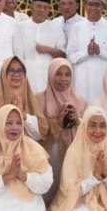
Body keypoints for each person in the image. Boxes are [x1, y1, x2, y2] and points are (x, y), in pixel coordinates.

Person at [36, 58, 85, 194]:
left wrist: (77, 120)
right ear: (50, 74)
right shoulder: (39, 99)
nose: (63, 79)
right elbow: (35, 130)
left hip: (73, 151)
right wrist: (56, 122)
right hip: (49, 151)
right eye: (58, 74)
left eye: (67, 74)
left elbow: (90, 129)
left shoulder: (80, 100)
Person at [66, 0, 107, 101]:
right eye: (90, 4)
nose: (93, 8)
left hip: (104, 78)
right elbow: (70, 56)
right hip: (81, 80)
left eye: (97, 5)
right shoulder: (76, 28)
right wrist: (86, 52)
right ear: (85, 6)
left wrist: (100, 52)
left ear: (103, 7)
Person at [0, 57, 47, 144]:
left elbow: (41, 133)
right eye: (11, 70)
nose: (16, 74)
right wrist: (7, 115)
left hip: (26, 148)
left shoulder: (29, 96)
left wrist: (23, 115)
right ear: (4, 73)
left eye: (20, 71)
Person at [13, 0, 67, 93]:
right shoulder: (21, 27)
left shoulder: (55, 27)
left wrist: (48, 50)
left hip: (49, 75)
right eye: (38, 6)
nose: (42, 10)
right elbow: (18, 56)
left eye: (45, 8)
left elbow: (63, 55)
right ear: (31, 7)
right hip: (27, 75)